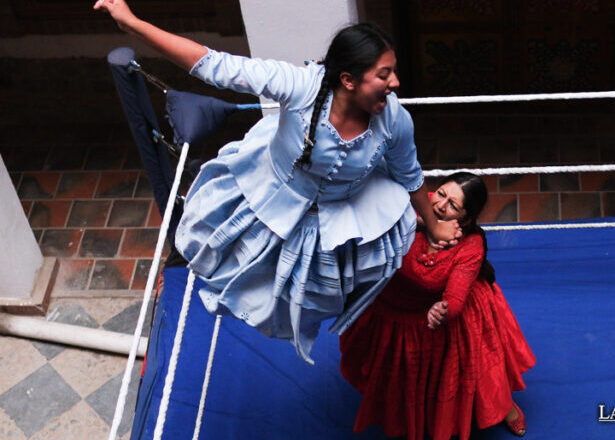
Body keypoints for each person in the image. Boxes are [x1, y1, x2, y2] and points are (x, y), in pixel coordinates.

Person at [93, 0, 462, 364]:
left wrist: (433, 226)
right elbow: (214, 66)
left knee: (314, 297)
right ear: (348, 80)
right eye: (384, 74)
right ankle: (179, 277)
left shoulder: (395, 121)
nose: (395, 83)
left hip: (336, 215)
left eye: (393, 72)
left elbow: (409, 175)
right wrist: (133, 23)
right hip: (271, 192)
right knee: (226, 260)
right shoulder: (301, 87)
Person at [340, 172, 536, 439]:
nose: (441, 204)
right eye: (441, 193)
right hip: (391, 313)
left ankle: (504, 407)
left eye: (453, 205)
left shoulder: (470, 245)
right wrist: (425, 224)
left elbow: (454, 299)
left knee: (479, 376)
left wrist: (442, 310)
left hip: (443, 323)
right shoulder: (418, 205)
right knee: (397, 384)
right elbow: (373, 212)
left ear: (465, 218)